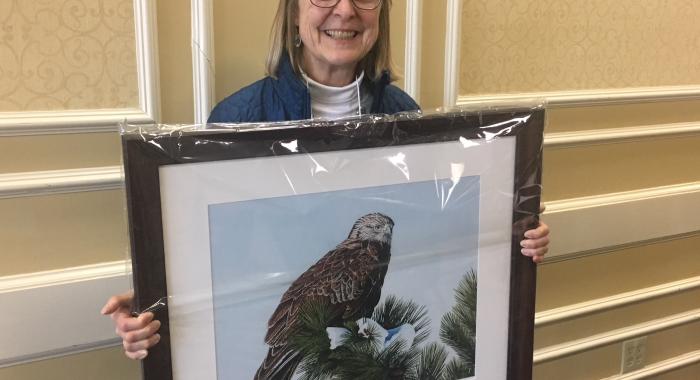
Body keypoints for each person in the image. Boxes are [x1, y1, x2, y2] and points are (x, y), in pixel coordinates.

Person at [101, 0, 550, 361]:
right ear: (295, 13)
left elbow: (445, 228)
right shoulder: (237, 120)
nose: (345, 10)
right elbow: (217, 251)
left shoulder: (409, 119)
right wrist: (159, 294)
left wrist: (512, 232)